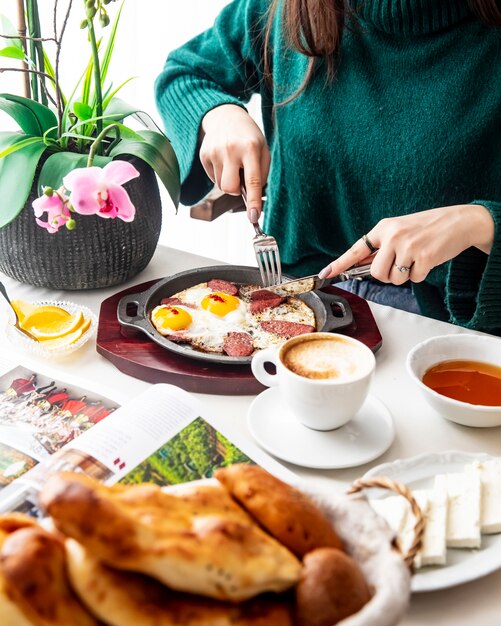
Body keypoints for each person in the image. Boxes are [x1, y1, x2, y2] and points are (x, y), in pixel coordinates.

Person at [155, 0, 501, 333]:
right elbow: (186, 73)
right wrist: (217, 115)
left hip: (453, 330)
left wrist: (481, 223)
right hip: (296, 302)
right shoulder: (281, 10)